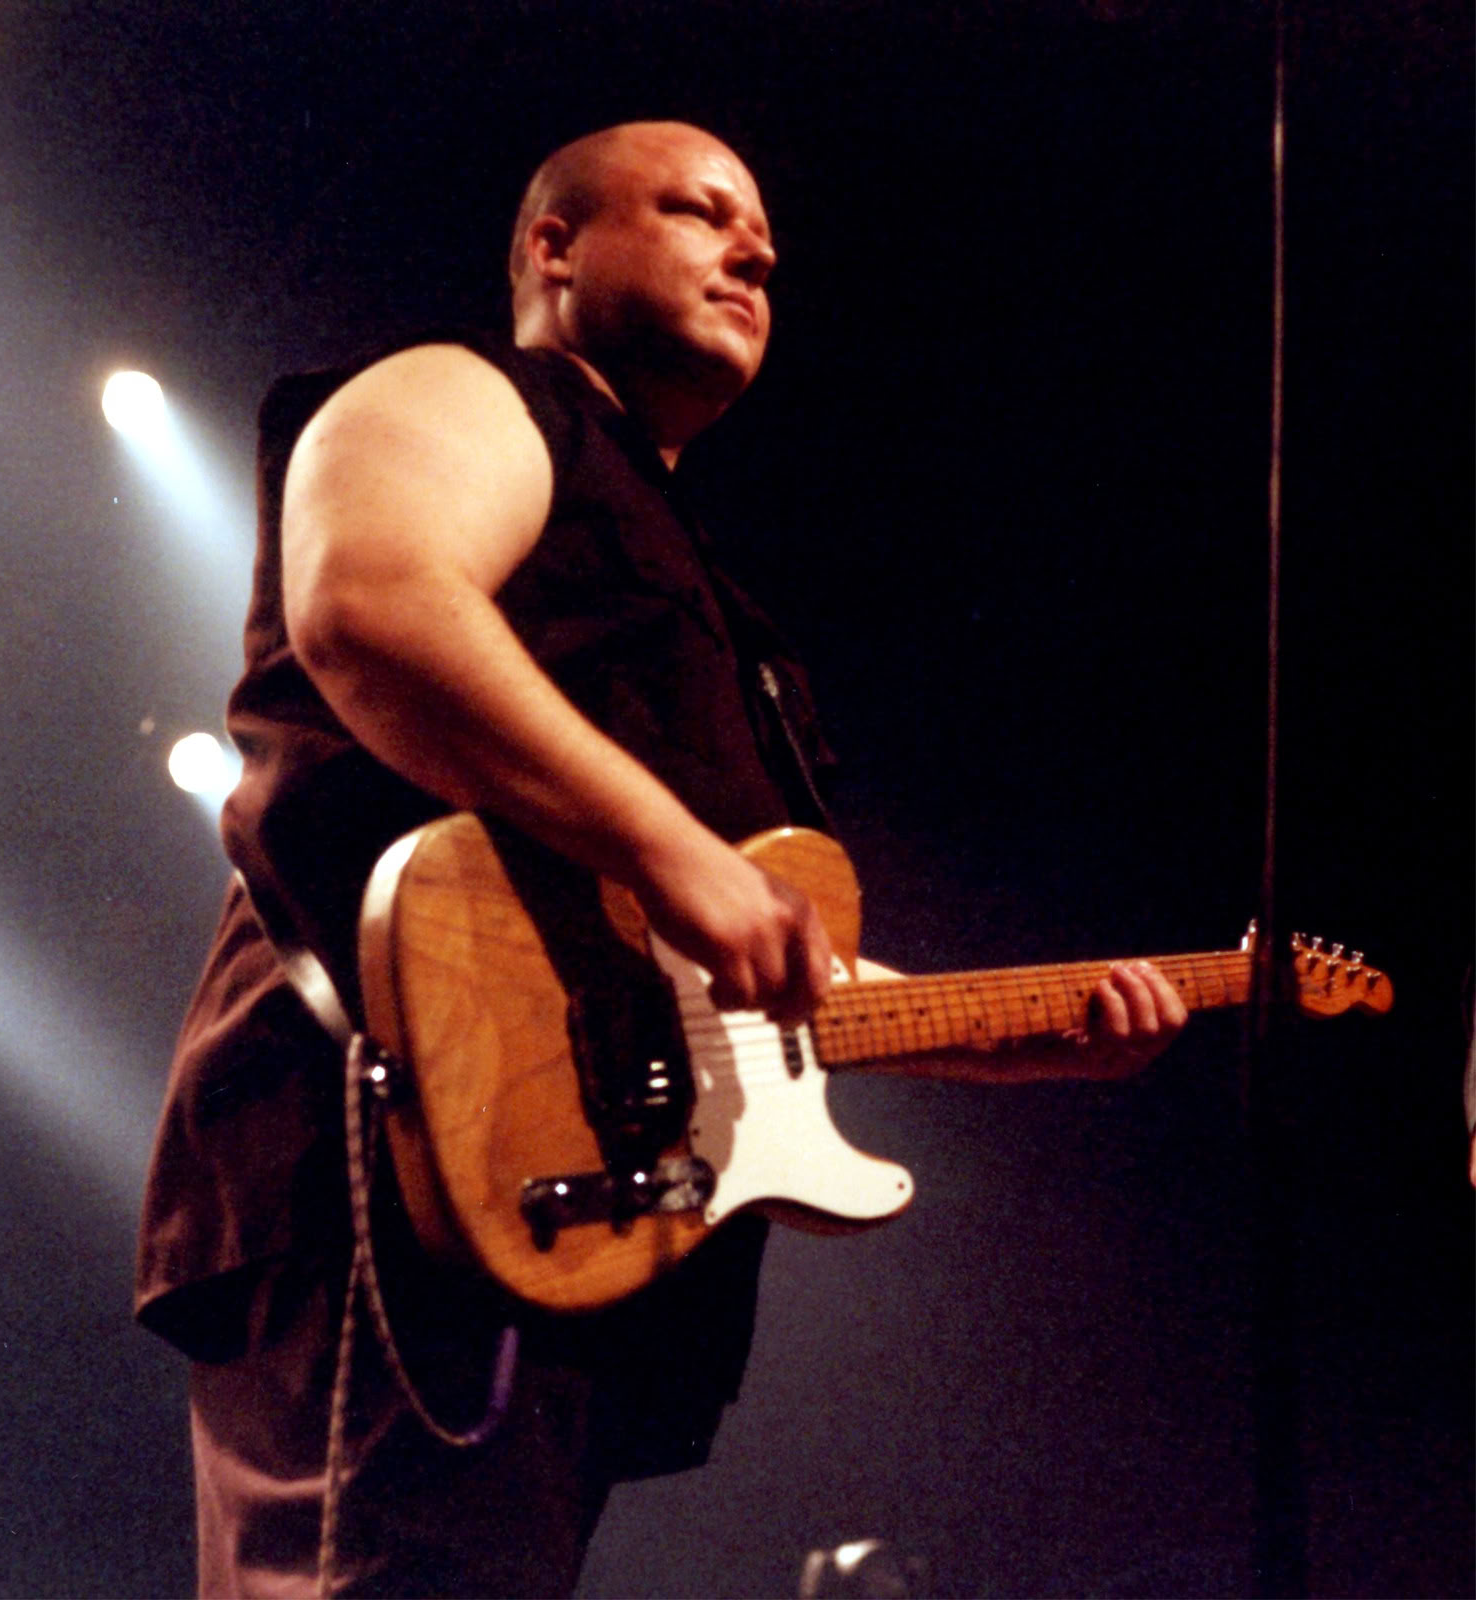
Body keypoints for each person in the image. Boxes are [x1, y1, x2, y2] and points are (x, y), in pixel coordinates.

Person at [135, 120, 1187, 1598]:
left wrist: (1012, 1037)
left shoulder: (694, 578)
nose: (754, 250)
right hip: (396, 1156)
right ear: (553, 247)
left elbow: (731, 951)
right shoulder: (473, 394)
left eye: (760, 232)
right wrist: (672, 844)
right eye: (701, 212)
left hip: (564, 1212)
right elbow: (369, 602)